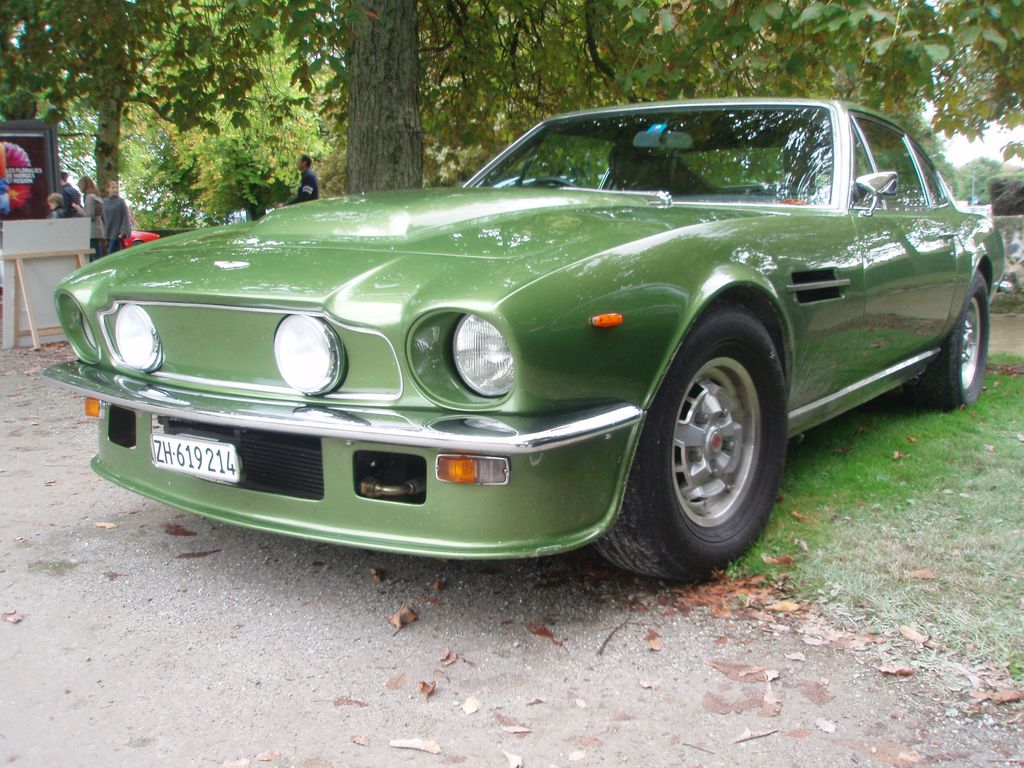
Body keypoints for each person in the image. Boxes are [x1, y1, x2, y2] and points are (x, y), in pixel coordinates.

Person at [78, 176, 106, 262]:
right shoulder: (96, 197)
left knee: (94, 257)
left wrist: (79, 210)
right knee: (98, 255)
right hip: (98, 229)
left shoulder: (89, 198)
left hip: (92, 231)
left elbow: (90, 215)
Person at [102, 180, 132, 255]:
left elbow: (125, 217)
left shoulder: (120, 202)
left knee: (110, 253)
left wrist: (124, 231)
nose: (115, 190)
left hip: (116, 233)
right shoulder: (104, 202)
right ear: (107, 189)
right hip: (106, 233)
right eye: (113, 188)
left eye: (116, 188)